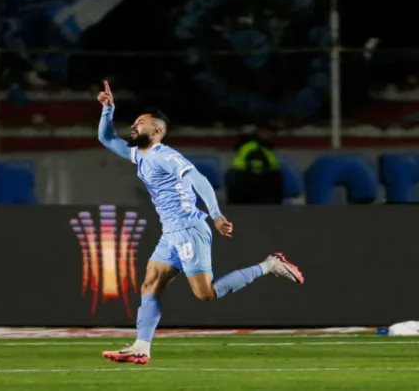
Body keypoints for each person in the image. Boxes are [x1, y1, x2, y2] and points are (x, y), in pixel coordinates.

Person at [96, 81, 304, 365]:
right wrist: (108, 109)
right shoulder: (139, 155)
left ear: (156, 132)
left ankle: (269, 265)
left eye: (140, 123)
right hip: (171, 232)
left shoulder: (165, 155)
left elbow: (199, 179)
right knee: (150, 285)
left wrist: (216, 214)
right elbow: (107, 139)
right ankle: (141, 347)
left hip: (188, 230)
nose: (133, 126)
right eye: (133, 123)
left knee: (206, 294)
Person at [226, 123, 284, 204]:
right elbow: (257, 176)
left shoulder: (262, 147)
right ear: (259, 132)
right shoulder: (254, 148)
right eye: (270, 131)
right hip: (252, 196)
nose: (273, 134)